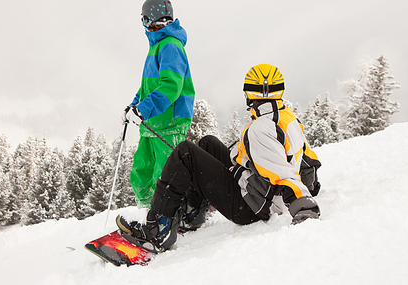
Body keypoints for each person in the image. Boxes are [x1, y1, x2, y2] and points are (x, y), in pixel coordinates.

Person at [117, 64, 321, 254]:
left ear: (249, 93)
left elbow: (281, 173)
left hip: (251, 206)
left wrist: (303, 205)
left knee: (185, 152)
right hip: (260, 191)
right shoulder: (287, 117)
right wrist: (312, 185)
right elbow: (307, 159)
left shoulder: (260, 129)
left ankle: (157, 230)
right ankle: (192, 212)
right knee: (208, 143)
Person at [124, 0, 195, 207]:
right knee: (141, 171)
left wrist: (145, 108)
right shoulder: (156, 46)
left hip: (169, 122)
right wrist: (135, 105)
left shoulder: (170, 46)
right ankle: (147, 211)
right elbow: (148, 86)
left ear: (148, 19)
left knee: (165, 174)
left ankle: (171, 213)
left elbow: (170, 86)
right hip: (152, 122)